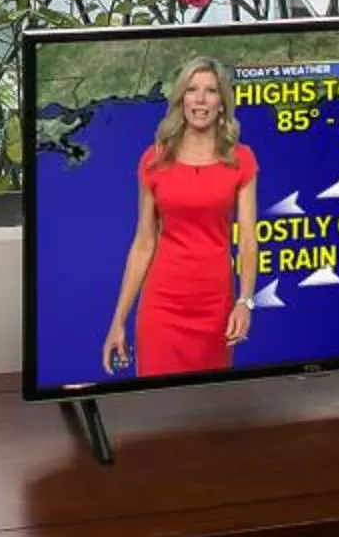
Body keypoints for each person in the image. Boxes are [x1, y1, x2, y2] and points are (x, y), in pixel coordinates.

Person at [102, 55, 259, 379]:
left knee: (210, 402)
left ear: (222, 103)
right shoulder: (154, 161)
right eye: (192, 90)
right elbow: (144, 242)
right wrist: (118, 320)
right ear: (181, 99)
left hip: (215, 307)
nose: (200, 99)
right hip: (163, 307)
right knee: (156, 401)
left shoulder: (241, 160)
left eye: (210, 91)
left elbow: (247, 240)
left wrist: (245, 301)